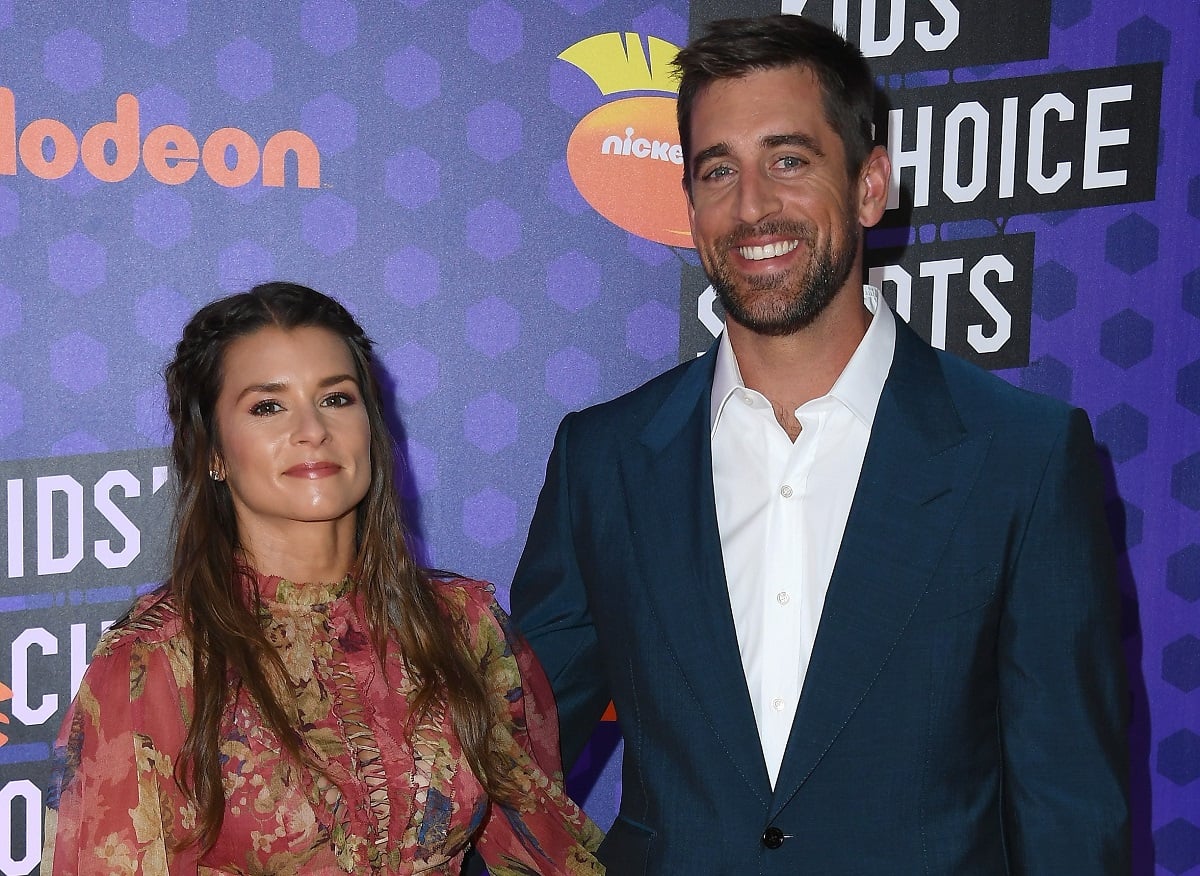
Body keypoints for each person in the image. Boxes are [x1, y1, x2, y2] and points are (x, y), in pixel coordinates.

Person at [510, 14, 1129, 873]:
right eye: (718, 170)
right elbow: (509, 759)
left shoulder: (1022, 456)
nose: (752, 205)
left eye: (789, 161)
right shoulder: (604, 461)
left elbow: (1069, 810)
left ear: (870, 186)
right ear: (690, 206)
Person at [42, 282, 604, 875]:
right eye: (268, 406)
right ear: (213, 452)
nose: (312, 428)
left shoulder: (461, 627)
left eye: (336, 398)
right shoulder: (160, 658)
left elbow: (544, 850)